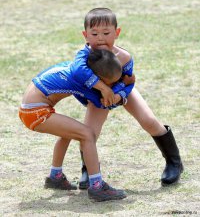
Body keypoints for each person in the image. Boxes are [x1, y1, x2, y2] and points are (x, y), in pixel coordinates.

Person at [74, 7, 183, 189]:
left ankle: (174, 162)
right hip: (98, 98)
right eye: (94, 33)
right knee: (89, 133)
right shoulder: (83, 56)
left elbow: (129, 81)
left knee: (148, 120)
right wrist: (103, 91)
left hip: (122, 92)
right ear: (85, 35)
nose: (100, 38)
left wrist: (118, 94)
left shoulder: (124, 57)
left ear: (117, 33)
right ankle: (88, 169)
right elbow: (78, 73)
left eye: (106, 32)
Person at [18, 48, 133, 202]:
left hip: (29, 109)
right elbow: (105, 103)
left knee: (69, 133)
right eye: (110, 83)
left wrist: (113, 87)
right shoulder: (83, 82)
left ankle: (55, 177)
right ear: (98, 78)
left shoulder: (79, 69)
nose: (111, 86)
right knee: (87, 135)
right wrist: (122, 90)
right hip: (35, 112)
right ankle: (97, 186)